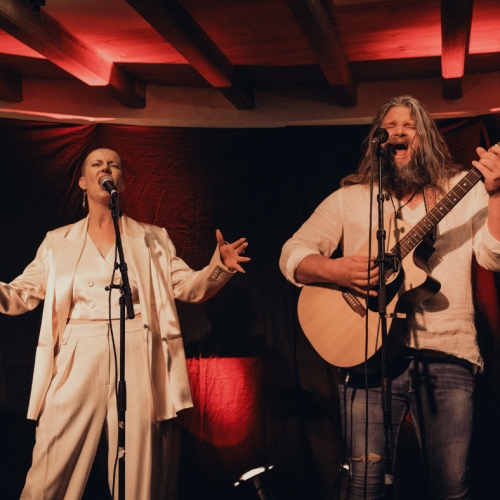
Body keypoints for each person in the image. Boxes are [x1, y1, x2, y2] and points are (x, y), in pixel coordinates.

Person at [279, 95, 500, 499]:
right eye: (390, 126)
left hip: (446, 353)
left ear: (427, 138)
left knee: (450, 487)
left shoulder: (462, 190)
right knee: (364, 487)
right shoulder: (351, 198)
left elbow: (493, 256)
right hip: (366, 359)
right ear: (377, 141)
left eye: (410, 126)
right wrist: (336, 270)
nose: (399, 131)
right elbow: (292, 255)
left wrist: (497, 194)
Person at [0, 148, 250, 499]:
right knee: (52, 461)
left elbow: (188, 287)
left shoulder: (152, 238)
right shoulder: (58, 242)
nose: (106, 168)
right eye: (97, 164)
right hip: (77, 350)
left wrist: (218, 268)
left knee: (140, 464)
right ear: (83, 181)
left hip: (137, 345)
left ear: (122, 181)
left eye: (113, 164)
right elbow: (21, 293)